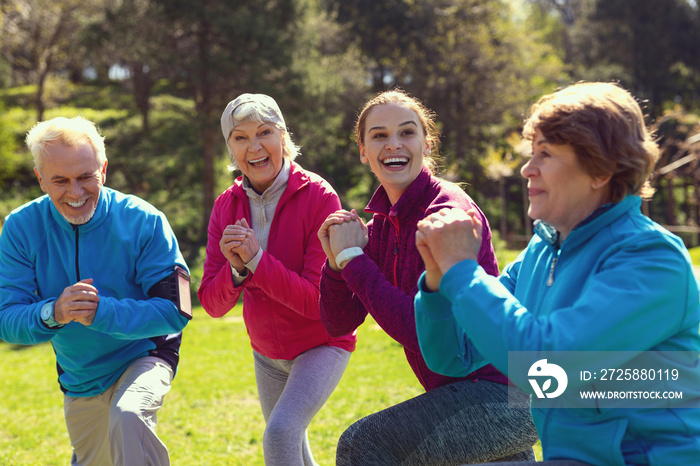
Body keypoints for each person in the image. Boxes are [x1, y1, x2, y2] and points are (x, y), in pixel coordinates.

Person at [414, 82, 700, 465]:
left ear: (602, 169)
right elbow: (453, 356)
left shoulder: (650, 260)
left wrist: (464, 272)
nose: (526, 169)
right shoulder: (542, 251)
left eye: (545, 154)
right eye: (532, 153)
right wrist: (437, 282)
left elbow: (548, 369)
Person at [318, 89, 539, 465]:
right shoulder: (384, 226)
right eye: (379, 135)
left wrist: (353, 258)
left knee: (364, 445)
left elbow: (421, 332)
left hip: (505, 392)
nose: (394, 144)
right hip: (473, 392)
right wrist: (337, 265)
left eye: (406, 132)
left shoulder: (446, 215)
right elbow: (338, 322)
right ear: (363, 151)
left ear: (426, 143)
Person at [0, 116, 192, 465]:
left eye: (86, 177)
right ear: (40, 179)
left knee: (129, 415)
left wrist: (101, 312)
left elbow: (176, 310)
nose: (75, 193)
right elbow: (6, 318)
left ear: (103, 168)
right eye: (60, 180)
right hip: (81, 375)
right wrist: (53, 313)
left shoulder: (144, 220)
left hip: (144, 354)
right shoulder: (20, 228)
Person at [197, 93, 355, 465]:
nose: (254, 146)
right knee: (293, 447)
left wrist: (255, 259)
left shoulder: (319, 196)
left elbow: (318, 302)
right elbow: (211, 303)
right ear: (230, 149)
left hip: (321, 345)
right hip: (266, 353)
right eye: (240, 137)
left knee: (281, 434)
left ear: (283, 137)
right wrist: (236, 271)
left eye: (264, 132)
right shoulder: (226, 205)